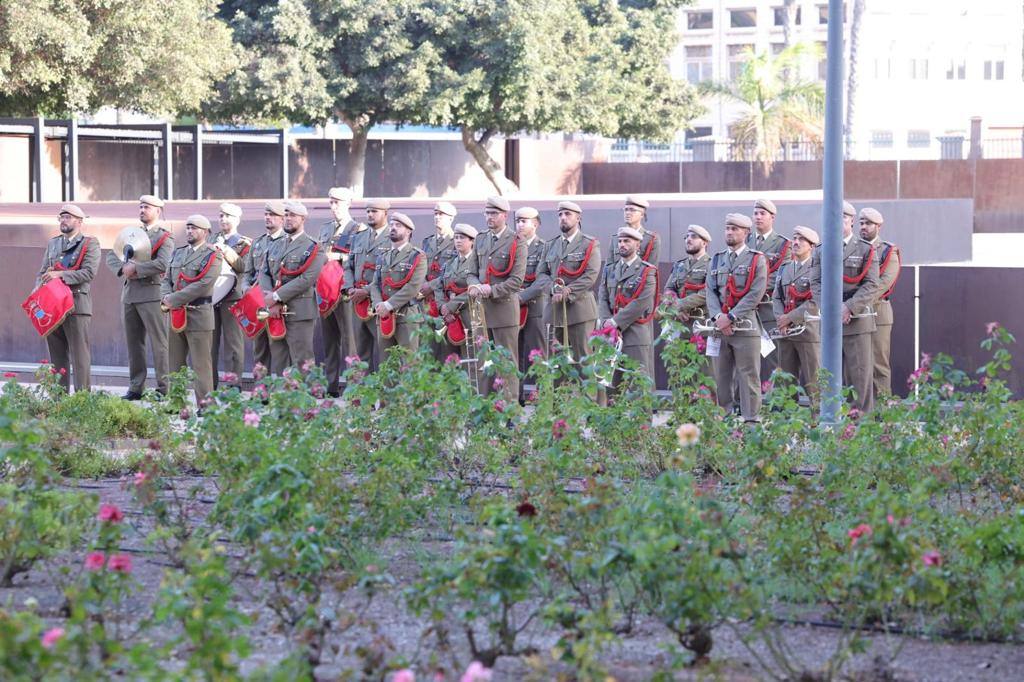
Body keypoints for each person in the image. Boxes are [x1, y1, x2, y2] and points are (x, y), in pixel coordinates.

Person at [105, 194, 174, 400]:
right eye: (141, 206)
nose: (142, 210)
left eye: (147, 207)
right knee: (134, 344)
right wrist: (123, 268)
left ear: (158, 211)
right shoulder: (131, 234)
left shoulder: (164, 237)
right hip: (130, 295)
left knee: (159, 343)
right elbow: (112, 255)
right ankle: (136, 387)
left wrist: (136, 268)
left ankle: (163, 388)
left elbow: (163, 264)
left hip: (152, 294)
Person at [815, 201, 880, 413]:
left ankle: (861, 427)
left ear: (851, 221)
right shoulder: (821, 250)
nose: (837, 222)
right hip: (831, 323)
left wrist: (849, 307)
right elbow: (815, 283)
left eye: (842, 217)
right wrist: (828, 309)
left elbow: (871, 284)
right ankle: (832, 422)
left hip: (857, 323)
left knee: (859, 377)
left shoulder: (865, 249)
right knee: (830, 377)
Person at [705, 213, 768, 423]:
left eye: (735, 229)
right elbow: (710, 292)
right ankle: (725, 418)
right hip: (720, 328)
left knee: (748, 376)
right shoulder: (716, 259)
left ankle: (751, 420)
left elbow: (756, 293)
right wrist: (717, 317)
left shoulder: (756, 259)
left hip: (745, 328)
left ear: (746, 233)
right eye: (728, 228)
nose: (730, 232)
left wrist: (730, 317)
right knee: (721, 378)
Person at [467, 195, 527, 400]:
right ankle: (484, 408)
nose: (489, 217)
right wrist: (474, 285)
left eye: (494, 213)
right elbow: (471, 271)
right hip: (482, 311)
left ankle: (509, 409)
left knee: (506, 361)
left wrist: (491, 290)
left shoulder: (516, 242)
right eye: (487, 213)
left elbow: (517, 280)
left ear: (505, 215)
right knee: (483, 361)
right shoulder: (481, 239)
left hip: (504, 310)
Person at [35, 204, 100, 393]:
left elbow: (88, 273)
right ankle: (58, 399)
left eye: (68, 217)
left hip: (76, 305)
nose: (63, 220)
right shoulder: (53, 243)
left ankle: (82, 399)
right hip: (52, 307)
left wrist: (59, 275)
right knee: (57, 356)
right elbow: (41, 272)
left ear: (79, 222)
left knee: (80, 356)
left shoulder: (90, 243)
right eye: (61, 217)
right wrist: (36, 291)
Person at [161, 215, 222, 405]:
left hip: (198, 314)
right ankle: (176, 403)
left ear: (205, 232)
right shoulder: (178, 253)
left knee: (201, 364)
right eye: (187, 228)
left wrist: (173, 299)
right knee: (175, 362)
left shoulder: (213, 255)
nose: (189, 231)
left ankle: (205, 404)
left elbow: (203, 284)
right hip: (177, 315)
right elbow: (166, 280)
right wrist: (166, 296)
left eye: (194, 228)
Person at [261, 201, 325, 376]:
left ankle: (305, 402)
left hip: (300, 312)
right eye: (286, 215)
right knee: (280, 360)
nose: (288, 219)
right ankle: (282, 401)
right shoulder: (275, 243)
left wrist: (276, 297)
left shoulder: (314, 247)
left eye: (292, 216)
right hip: (275, 312)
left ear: (303, 219)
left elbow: (307, 279)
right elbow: (264, 273)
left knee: (302, 361)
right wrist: (270, 299)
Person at [535, 201, 602, 362]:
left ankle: (589, 389)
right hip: (555, 311)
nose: (563, 218)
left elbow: (591, 275)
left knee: (583, 360)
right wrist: (554, 289)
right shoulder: (550, 245)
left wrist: (568, 290)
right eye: (560, 215)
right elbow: (541, 273)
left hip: (580, 310)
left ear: (578, 218)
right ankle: (559, 389)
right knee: (556, 363)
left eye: (567, 214)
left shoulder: (589, 243)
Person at [597, 227, 658, 388]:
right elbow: (602, 296)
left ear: (638, 245)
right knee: (612, 386)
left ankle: (642, 415)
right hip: (610, 334)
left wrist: (615, 322)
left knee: (638, 384)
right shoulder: (610, 269)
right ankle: (613, 414)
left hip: (635, 334)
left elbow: (642, 302)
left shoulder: (647, 271)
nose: (622, 244)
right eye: (620, 241)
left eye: (627, 241)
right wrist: (605, 321)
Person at [317, 187, 363, 396]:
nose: (334, 207)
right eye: (331, 202)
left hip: (345, 291)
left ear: (348, 204)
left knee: (349, 340)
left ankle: (354, 386)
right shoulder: (326, 229)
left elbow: (359, 259)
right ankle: (331, 385)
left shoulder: (357, 229)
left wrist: (338, 258)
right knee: (329, 340)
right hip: (326, 290)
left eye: (338, 203)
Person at [771, 226, 821, 406]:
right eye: (795, 238)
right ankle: (787, 423)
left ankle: (820, 421)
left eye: (801, 239)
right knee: (785, 381)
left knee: (813, 381)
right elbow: (776, 296)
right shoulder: (785, 268)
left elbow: (816, 300)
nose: (796, 242)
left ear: (812, 246)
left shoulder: (817, 269)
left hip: (807, 332)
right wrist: (780, 319)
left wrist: (789, 318)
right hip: (786, 333)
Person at [370, 212, 428, 356]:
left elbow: (413, 287)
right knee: (386, 365)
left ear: (408, 231)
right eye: (391, 225)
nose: (393, 228)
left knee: (410, 364)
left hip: (407, 317)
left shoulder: (417, 256)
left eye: (398, 225)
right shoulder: (383, 257)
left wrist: (388, 305)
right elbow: (375, 284)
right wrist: (379, 305)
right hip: (383, 316)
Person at [346, 199, 392, 371]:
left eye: (375, 211)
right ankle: (362, 393)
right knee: (360, 350)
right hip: (357, 301)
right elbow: (348, 266)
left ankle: (386, 393)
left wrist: (365, 291)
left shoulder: (392, 237)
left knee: (384, 350)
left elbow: (388, 273)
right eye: (368, 212)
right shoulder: (359, 237)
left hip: (379, 301)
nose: (370, 215)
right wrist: (349, 287)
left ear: (385, 213)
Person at [859, 207, 901, 399]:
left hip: (877, 312)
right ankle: (858, 410)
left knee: (878, 364)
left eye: (868, 224)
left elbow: (883, 283)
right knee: (855, 364)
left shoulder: (887, 251)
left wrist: (854, 303)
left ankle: (883, 413)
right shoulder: (854, 249)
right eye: (861, 223)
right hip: (856, 314)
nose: (863, 227)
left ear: (879, 226)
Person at [242, 201, 288, 372]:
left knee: (279, 349)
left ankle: (283, 394)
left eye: (273, 215)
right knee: (259, 350)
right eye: (266, 214)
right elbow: (248, 272)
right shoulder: (258, 242)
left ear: (283, 219)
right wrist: (245, 287)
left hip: (276, 302)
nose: (268, 218)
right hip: (256, 303)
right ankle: (262, 394)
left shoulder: (287, 241)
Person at [749, 198, 789, 382]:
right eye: (755, 213)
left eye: (762, 213)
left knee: (774, 359)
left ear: (772, 217)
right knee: (746, 360)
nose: (758, 217)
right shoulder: (745, 241)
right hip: (745, 311)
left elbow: (779, 275)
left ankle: (778, 405)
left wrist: (751, 294)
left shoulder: (782, 245)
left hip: (767, 309)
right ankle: (744, 403)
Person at [211, 202, 250, 389]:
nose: (223, 219)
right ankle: (210, 383)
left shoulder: (244, 242)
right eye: (221, 216)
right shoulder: (210, 239)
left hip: (232, 297)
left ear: (237, 220)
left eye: (228, 216)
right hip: (211, 296)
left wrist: (226, 250)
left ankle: (234, 384)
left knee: (233, 344)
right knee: (209, 343)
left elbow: (243, 266)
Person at [514, 206, 549, 399]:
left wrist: (522, 296)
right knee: (514, 353)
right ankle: (516, 397)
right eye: (517, 221)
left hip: (534, 306)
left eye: (524, 221)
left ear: (535, 224)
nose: (519, 224)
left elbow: (544, 279)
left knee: (538, 354)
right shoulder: (512, 246)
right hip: (511, 307)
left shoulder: (543, 247)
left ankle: (544, 398)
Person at [433, 223, 480, 362]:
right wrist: (442, 307)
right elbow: (438, 286)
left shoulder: (477, 263)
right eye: (456, 237)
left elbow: (476, 289)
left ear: (472, 241)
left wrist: (451, 305)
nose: (458, 241)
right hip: (448, 318)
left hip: (469, 316)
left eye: (463, 238)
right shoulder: (449, 264)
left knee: (470, 358)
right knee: (449, 359)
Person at [419, 201, 458, 362]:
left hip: (446, 300)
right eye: (435, 214)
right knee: (427, 347)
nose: (437, 217)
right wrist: (421, 285)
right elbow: (421, 266)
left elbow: (455, 271)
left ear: (451, 218)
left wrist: (431, 285)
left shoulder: (457, 240)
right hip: (427, 301)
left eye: (441, 214)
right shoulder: (427, 241)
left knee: (447, 348)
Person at [663, 224, 712, 321]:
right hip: (679, 319)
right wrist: (675, 308)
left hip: (701, 320)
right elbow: (669, 289)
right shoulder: (679, 265)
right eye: (686, 237)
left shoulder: (712, 264)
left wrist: (680, 305)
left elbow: (707, 293)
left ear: (704, 243)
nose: (688, 239)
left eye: (693, 236)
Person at [612, 195, 660, 267]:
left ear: (642, 215)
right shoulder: (616, 238)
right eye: (626, 209)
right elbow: (608, 267)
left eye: (632, 210)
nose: (627, 213)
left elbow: (651, 269)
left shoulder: (651, 239)